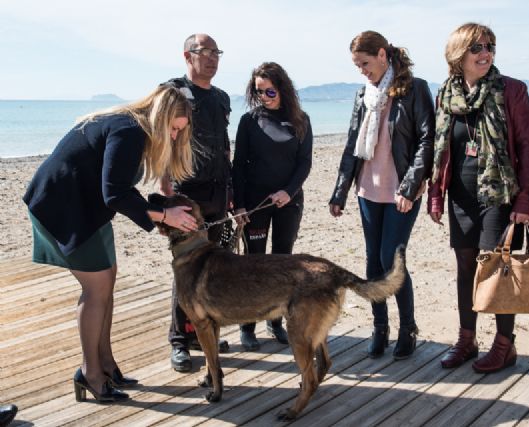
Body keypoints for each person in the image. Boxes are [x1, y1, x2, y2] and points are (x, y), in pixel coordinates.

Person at [23, 85, 195, 402]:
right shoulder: (129, 130)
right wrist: (163, 216)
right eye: (172, 128)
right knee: (96, 288)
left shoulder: (130, 125)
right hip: (63, 205)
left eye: (179, 132)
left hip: (88, 205)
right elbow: (114, 193)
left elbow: (113, 191)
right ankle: (90, 374)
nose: (173, 137)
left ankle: (105, 364)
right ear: (158, 118)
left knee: (108, 278)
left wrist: (159, 213)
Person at [427, 23, 529, 373]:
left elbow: (527, 147)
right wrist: (435, 194)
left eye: (489, 45)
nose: (485, 52)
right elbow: (440, 149)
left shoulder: (511, 90)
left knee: (496, 268)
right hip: (460, 194)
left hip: (499, 193)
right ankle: (466, 338)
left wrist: (525, 201)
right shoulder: (446, 93)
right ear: (458, 55)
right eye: (476, 47)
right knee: (465, 268)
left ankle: (504, 345)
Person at [329, 31, 435, 360]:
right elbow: (352, 146)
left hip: (402, 190)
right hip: (368, 191)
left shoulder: (415, 89)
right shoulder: (364, 94)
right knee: (373, 262)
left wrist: (409, 187)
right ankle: (380, 328)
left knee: (392, 260)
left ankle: (408, 329)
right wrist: (339, 192)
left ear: (382, 55)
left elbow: (426, 141)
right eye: (356, 66)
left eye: (364, 63)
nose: (361, 70)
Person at [161, 33, 232, 372]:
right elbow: (163, 142)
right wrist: (166, 195)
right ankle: (180, 341)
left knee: (213, 270)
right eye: (206, 52)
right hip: (187, 196)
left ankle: (205, 333)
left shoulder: (220, 98)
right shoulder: (172, 92)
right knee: (186, 270)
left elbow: (225, 146)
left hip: (218, 193)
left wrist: (231, 193)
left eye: (217, 52)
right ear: (187, 55)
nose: (213, 58)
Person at [232, 62, 313, 351]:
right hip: (255, 205)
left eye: (269, 91)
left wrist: (288, 192)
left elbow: (305, 163)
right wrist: (238, 206)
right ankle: (247, 325)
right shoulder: (249, 121)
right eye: (258, 92)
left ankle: (276, 321)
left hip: (288, 203)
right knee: (253, 265)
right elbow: (238, 166)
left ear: (282, 88)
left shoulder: (300, 120)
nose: (264, 97)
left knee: (281, 263)